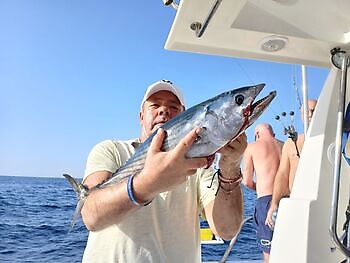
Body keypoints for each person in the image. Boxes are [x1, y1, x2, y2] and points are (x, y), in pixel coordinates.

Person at [80, 80, 247, 262]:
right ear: (141, 116)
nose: (163, 110)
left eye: (173, 107)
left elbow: (227, 230)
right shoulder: (111, 150)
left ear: (186, 117)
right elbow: (91, 215)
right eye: (155, 105)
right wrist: (147, 184)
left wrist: (230, 166)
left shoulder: (200, 164)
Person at [265, 99, 318, 229]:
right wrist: (274, 204)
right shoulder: (290, 143)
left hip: (319, 203)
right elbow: (282, 174)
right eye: (307, 111)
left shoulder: (328, 140)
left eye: (314, 110)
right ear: (301, 115)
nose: (310, 114)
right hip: (295, 202)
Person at [242, 123, 282, 263]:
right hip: (287, 200)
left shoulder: (252, 147)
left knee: (268, 252)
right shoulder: (284, 145)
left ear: (257, 134)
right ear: (273, 134)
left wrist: (259, 190)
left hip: (266, 202)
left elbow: (247, 181)